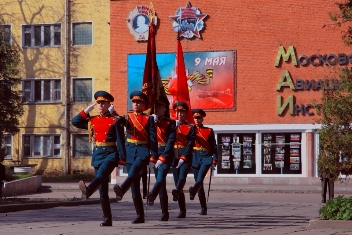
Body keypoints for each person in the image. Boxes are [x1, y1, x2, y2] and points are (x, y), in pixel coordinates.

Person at [71, 91, 126, 227]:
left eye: (103, 103)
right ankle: (107, 218)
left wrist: (122, 159)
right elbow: (75, 122)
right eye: (98, 103)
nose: (100, 105)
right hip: (98, 153)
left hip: (111, 153)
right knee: (102, 189)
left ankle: (88, 190)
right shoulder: (92, 120)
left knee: (101, 175)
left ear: (109, 104)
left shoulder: (115, 120)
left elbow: (121, 139)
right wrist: (86, 110)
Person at [113, 91, 158, 224]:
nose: (136, 104)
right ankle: (140, 216)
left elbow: (153, 138)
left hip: (143, 151)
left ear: (143, 104)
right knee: (135, 186)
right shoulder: (127, 117)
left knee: (133, 173)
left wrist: (153, 157)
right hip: (130, 151)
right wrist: (112, 113)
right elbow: (117, 123)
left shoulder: (149, 119)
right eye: (134, 102)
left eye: (138, 102)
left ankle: (121, 189)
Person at [147, 96, 176, 221]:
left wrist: (163, 157)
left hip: (166, 153)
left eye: (160, 107)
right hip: (154, 153)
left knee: (160, 178)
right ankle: (165, 213)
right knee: (162, 185)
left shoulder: (171, 123)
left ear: (165, 109)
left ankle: (152, 194)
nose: (158, 109)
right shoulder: (151, 121)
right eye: (156, 106)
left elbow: (170, 142)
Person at [189, 109, 217, 215]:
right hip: (195, 156)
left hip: (206, 157)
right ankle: (203, 207)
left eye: (199, 118)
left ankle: (193, 191)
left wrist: (214, 159)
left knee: (199, 180)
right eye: (195, 118)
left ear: (202, 119)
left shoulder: (209, 130)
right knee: (198, 183)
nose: (197, 120)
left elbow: (213, 146)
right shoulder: (190, 130)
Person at [171, 101, 196, 219]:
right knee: (177, 182)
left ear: (185, 113)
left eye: (182, 112)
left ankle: (176, 192)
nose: (179, 114)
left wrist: (184, 157)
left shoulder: (190, 127)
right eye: (177, 112)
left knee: (182, 178)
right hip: (174, 156)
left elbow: (190, 144)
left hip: (185, 156)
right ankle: (182, 209)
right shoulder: (171, 126)